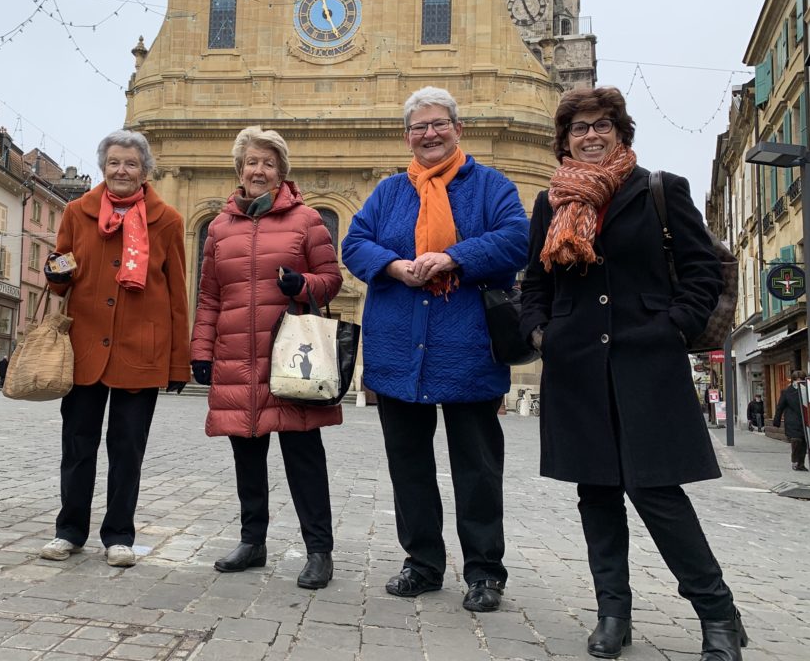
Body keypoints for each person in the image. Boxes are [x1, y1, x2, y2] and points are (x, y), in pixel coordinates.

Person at [519, 86, 745, 660]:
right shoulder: (550, 204)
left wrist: (674, 325)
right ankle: (612, 614)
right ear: (564, 142)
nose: (591, 136)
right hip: (576, 368)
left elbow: (701, 271)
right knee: (596, 493)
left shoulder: (659, 190)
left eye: (602, 126)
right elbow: (536, 284)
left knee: (657, 493)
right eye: (579, 129)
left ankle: (718, 614)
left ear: (621, 134)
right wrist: (542, 331)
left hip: (648, 360)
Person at [341, 86, 528, 611]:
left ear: (457, 128)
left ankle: (485, 572)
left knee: (477, 469)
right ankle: (422, 563)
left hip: (467, 347)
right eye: (419, 127)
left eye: (438, 124)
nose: (429, 133)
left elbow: (517, 238)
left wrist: (452, 257)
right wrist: (396, 266)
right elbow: (354, 244)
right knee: (410, 467)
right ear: (408, 136)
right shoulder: (389, 192)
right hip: (400, 350)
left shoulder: (491, 185)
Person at [191, 127, 343, 590]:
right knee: (247, 453)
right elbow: (210, 296)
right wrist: (201, 349)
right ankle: (252, 541)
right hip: (237, 353)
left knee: (304, 457)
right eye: (252, 162)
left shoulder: (307, 220)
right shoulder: (219, 227)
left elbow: (331, 279)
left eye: (269, 163)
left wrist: (304, 286)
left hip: (292, 355)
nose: (259, 170)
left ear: (282, 172)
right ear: (239, 169)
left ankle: (319, 551)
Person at [41, 130, 190, 568]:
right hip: (84, 347)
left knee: (127, 449)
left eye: (130, 164)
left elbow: (177, 294)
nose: (121, 171)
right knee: (77, 445)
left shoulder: (168, 221)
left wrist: (178, 362)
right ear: (103, 168)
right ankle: (69, 530)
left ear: (144, 171)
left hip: (140, 351)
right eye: (113, 163)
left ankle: (119, 535)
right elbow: (61, 270)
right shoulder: (76, 212)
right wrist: (56, 272)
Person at [773, 371, 808, 471]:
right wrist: (777, 420)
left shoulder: (809, 390)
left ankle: (801, 464)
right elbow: (780, 407)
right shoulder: (787, 392)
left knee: (804, 443)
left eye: (801, 380)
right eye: (797, 381)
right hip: (792, 421)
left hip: (805, 421)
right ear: (793, 381)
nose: (799, 383)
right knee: (796, 441)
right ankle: (795, 461)